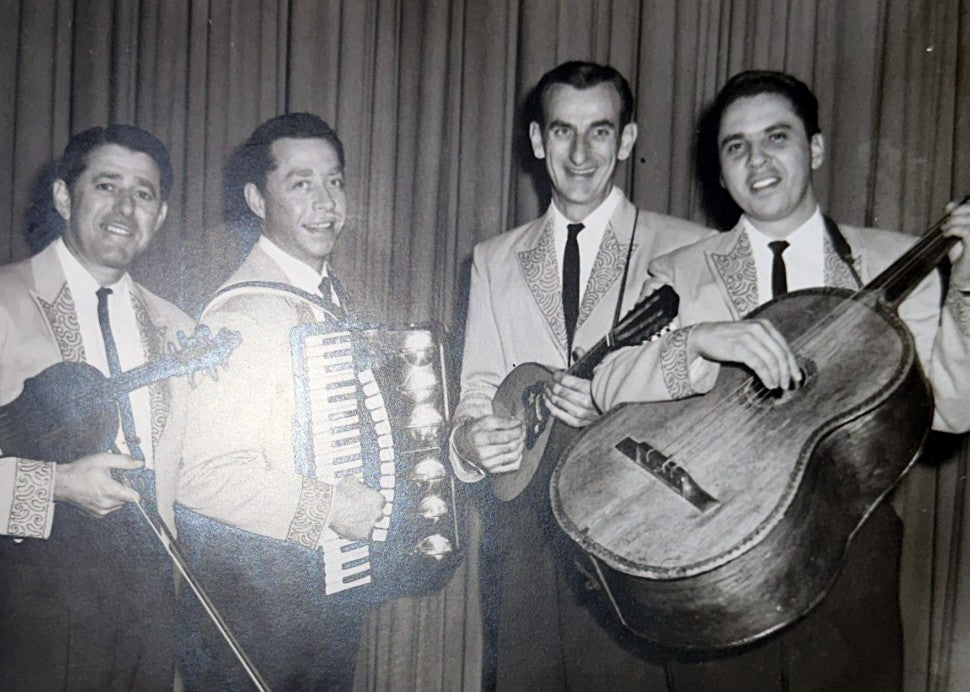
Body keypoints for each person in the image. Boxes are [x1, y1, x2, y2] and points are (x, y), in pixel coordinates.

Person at [592, 70, 970, 690]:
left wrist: (968, 286)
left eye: (777, 137)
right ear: (719, 170)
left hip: (850, 560)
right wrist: (700, 340)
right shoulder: (681, 270)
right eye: (735, 146)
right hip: (711, 556)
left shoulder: (896, 261)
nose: (757, 160)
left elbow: (952, 409)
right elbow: (606, 380)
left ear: (815, 149)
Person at [450, 61, 712, 689]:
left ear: (626, 141)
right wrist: (469, 441)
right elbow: (477, 391)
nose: (580, 152)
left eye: (600, 132)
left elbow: (710, 398)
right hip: (526, 531)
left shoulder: (689, 245)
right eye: (563, 131)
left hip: (635, 523)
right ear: (538, 141)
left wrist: (616, 405)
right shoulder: (493, 258)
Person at [176, 113, 391, 690]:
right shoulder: (240, 315)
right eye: (301, 184)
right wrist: (330, 508)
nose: (326, 203)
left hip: (320, 593)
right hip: (259, 607)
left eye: (335, 182)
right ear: (256, 198)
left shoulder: (327, 296)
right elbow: (200, 476)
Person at [0, 125, 193, 689]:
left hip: (147, 616)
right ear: (64, 196)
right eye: (106, 185)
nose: (124, 208)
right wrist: (55, 485)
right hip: (24, 614)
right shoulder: (4, 303)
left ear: (159, 216)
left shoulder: (176, 328)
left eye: (144, 194)